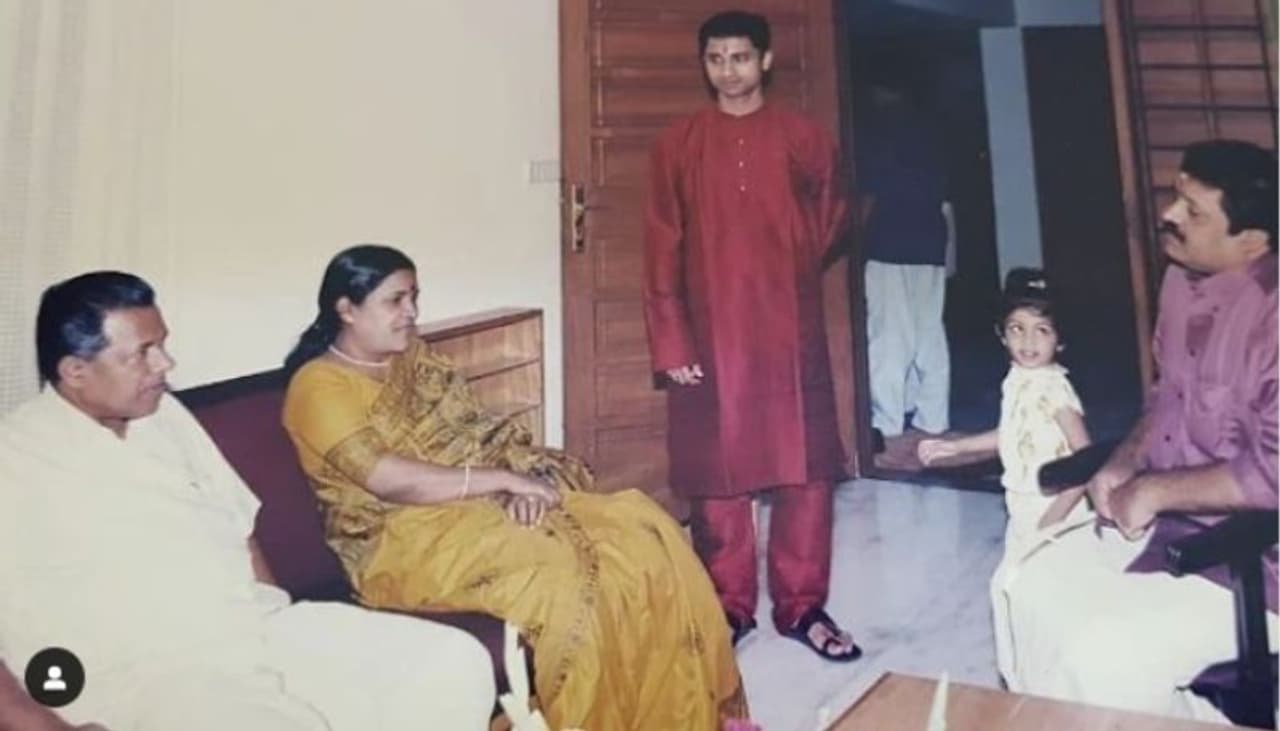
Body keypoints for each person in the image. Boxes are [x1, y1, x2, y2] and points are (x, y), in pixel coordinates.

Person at [280, 245, 749, 731]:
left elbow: (476, 433)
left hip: (472, 504)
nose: (412, 312)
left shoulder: (412, 357)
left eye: (414, 297)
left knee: (642, 531)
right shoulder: (317, 387)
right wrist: (503, 480)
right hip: (400, 542)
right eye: (395, 301)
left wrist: (517, 484)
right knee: (569, 586)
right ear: (346, 308)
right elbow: (388, 479)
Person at [0, 272, 496, 730]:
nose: (166, 365)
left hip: (256, 632)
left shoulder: (162, 414)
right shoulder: (17, 457)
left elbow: (239, 523)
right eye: (143, 353)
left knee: (448, 663)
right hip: (154, 674)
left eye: (163, 345)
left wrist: (276, 614)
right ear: (75, 371)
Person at [999, 139, 1278, 721]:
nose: (1169, 215)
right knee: (1023, 585)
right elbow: (1165, 398)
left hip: (1256, 566)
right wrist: (1125, 460)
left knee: (1102, 656)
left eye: (1193, 211)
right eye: (1176, 197)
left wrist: (1153, 491)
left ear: (1252, 242)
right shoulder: (1179, 282)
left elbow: (1272, 475)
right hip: (1167, 532)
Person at [642, 9, 860, 663]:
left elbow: (832, 217)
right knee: (718, 474)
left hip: (789, 331)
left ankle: (803, 606)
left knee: (804, 470)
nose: (728, 70)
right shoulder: (678, 144)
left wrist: (779, 263)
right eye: (716, 59)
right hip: (710, 333)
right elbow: (660, 245)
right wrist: (673, 342)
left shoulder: (804, 137)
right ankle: (727, 607)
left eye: (740, 57)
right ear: (704, 65)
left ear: (765, 60)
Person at [917, 268, 1091, 679]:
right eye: (1017, 329)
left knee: (1024, 593)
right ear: (1002, 334)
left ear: (1060, 340)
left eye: (1041, 331)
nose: (1028, 342)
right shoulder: (1018, 379)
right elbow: (1012, 432)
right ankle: (1022, 679)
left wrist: (1054, 519)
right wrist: (957, 446)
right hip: (1021, 509)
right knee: (1014, 597)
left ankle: (1045, 680)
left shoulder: (1055, 390)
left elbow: (1087, 461)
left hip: (1056, 512)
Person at [858, 68, 954, 444]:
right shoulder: (931, 129)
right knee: (929, 333)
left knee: (888, 338)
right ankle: (933, 417)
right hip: (929, 244)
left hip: (889, 245)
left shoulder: (878, 131)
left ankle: (887, 422)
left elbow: (869, 195)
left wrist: (855, 241)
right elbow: (945, 199)